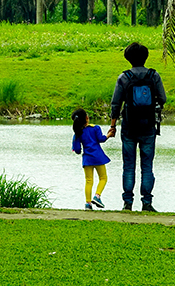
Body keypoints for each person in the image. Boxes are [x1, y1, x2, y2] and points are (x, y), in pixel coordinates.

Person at [108, 42, 166, 212]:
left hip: (129, 127)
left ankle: (128, 203)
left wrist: (113, 126)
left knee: (128, 165)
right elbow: (162, 98)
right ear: (145, 57)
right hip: (148, 126)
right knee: (147, 165)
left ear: (128, 58)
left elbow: (115, 104)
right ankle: (146, 202)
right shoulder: (153, 76)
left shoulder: (124, 77)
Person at [71, 107, 109, 210]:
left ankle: (88, 204)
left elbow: (78, 150)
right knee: (103, 178)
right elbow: (101, 139)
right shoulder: (95, 128)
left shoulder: (78, 134)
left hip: (87, 159)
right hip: (98, 157)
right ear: (87, 118)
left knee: (89, 181)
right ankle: (97, 196)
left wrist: (74, 143)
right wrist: (108, 135)